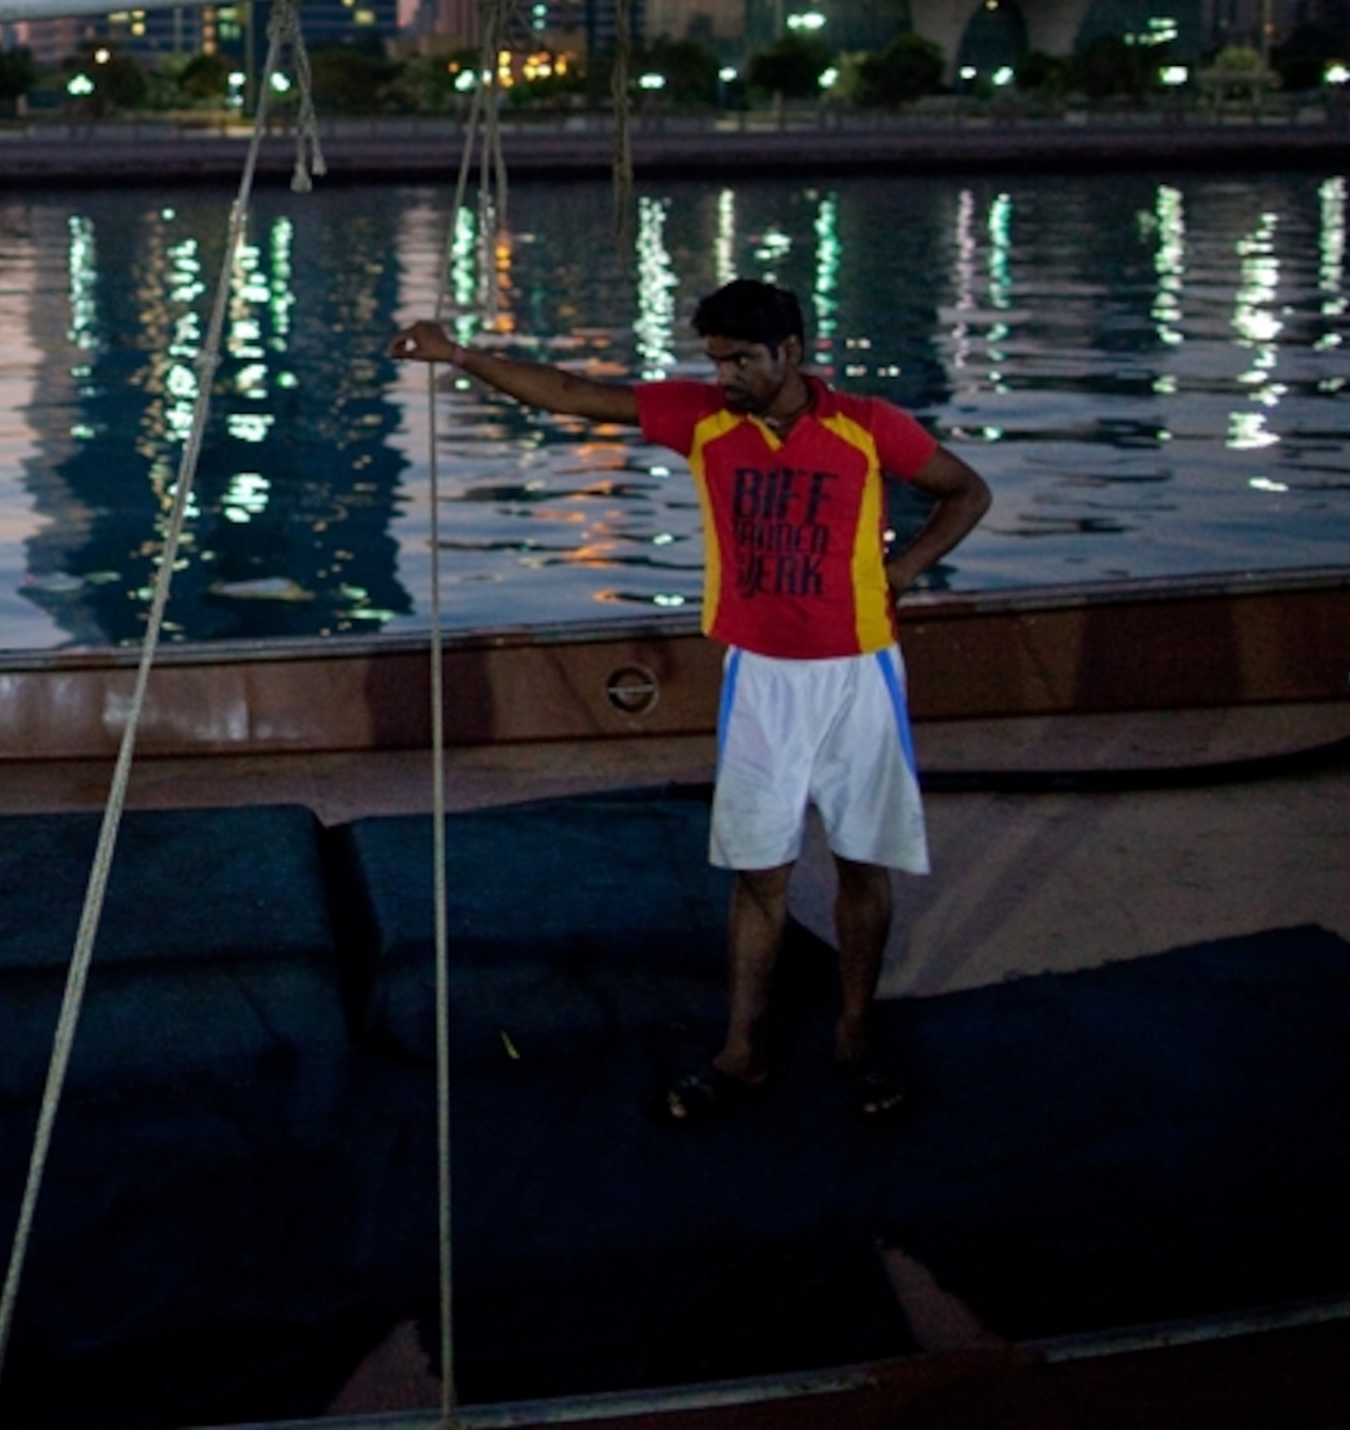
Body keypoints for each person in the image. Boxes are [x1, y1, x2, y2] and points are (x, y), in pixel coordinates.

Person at [389, 279, 990, 1121]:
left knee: (862, 861)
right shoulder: (702, 419)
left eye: (743, 359)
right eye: (716, 360)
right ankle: (742, 1051)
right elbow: (575, 393)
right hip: (760, 674)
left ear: (792, 351)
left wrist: (904, 569)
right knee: (758, 872)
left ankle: (856, 1038)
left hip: (859, 672)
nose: (728, 375)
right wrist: (458, 356)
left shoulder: (868, 424)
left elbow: (967, 491)